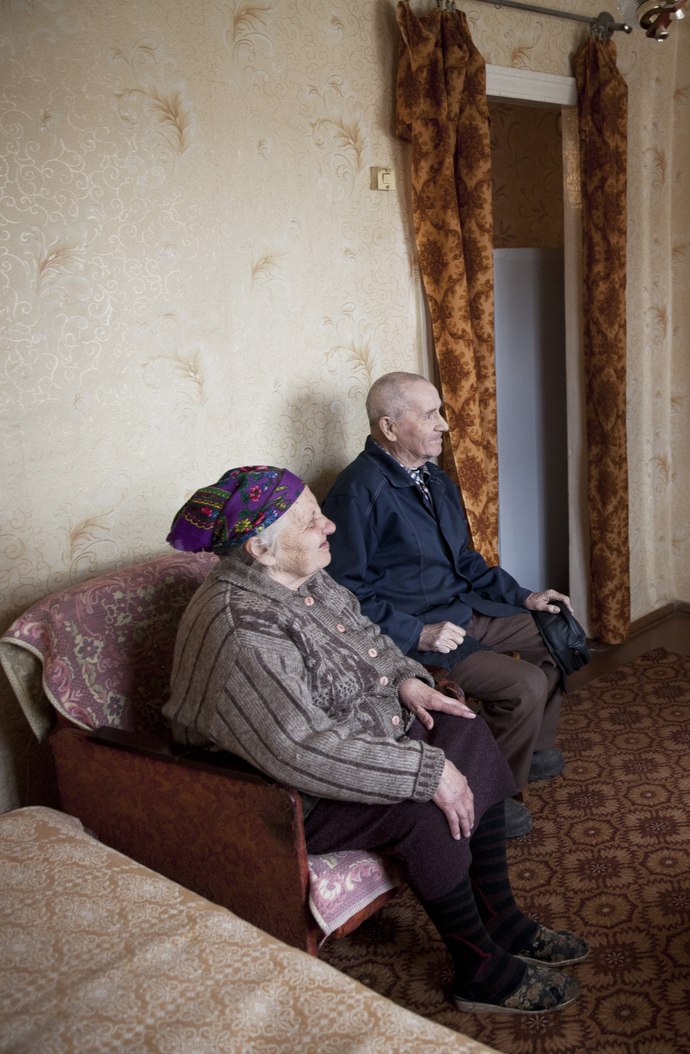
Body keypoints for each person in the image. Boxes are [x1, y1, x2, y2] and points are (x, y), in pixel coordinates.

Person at [162, 465, 586, 1015]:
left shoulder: (304, 577)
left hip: (356, 732)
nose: (329, 526)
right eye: (311, 519)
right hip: (273, 793)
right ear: (260, 550)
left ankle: (501, 915)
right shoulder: (241, 626)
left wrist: (408, 678)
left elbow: (365, 635)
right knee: (421, 807)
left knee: (462, 724)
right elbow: (301, 747)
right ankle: (480, 969)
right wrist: (424, 773)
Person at [324, 372, 572, 838]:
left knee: (558, 632)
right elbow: (344, 595)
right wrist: (417, 633)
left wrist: (524, 597)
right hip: (415, 631)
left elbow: (465, 560)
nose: (444, 425)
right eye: (430, 415)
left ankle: (530, 746)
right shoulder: (357, 491)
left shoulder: (433, 480)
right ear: (389, 427)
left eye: (440, 412)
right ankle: (490, 794)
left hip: (462, 608)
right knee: (524, 685)